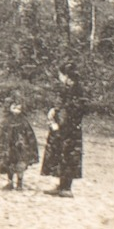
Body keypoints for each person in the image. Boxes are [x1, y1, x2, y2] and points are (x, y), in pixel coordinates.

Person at [41, 62, 91, 197]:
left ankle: (66, 187)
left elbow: (71, 111)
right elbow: (62, 105)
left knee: (68, 155)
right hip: (66, 128)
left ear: (67, 76)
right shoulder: (68, 89)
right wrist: (54, 110)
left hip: (69, 129)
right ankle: (62, 185)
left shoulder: (77, 91)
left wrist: (59, 124)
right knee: (62, 154)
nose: (60, 78)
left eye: (61, 75)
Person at [0, 94, 39, 190]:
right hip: (8, 146)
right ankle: (10, 182)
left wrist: (28, 147)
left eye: (18, 106)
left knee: (20, 163)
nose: (16, 108)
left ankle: (20, 182)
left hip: (21, 147)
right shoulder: (5, 121)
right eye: (14, 106)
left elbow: (29, 136)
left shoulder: (24, 122)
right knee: (8, 162)